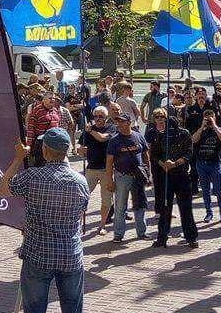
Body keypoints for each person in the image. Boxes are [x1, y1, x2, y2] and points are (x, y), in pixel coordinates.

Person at [0, 128, 93, 313]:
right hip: (70, 255)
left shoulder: (32, 177)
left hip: (38, 254)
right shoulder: (80, 181)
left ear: (46, 151)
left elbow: (2, 189)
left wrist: (18, 158)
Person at [146, 108, 198, 249]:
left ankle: (191, 237)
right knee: (165, 209)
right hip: (165, 176)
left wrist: (175, 163)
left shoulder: (185, 133)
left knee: (185, 208)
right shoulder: (161, 135)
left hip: (181, 175)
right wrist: (164, 164)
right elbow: (154, 154)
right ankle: (162, 237)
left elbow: (189, 153)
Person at [104, 113, 150, 243]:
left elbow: (146, 155)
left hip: (138, 176)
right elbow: (109, 162)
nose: (118, 124)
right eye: (117, 121)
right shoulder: (114, 140)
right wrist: (109, 180)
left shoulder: (139, 136)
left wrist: (149, 174)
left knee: (140, 205)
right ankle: (118, 235)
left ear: (129, 122)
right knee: (120, 206)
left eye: (122, 121)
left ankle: (142, 232)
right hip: (121, 176)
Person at [76, 106, 115, 235]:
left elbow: (102, 138)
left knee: (106, 199)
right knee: (82, 196)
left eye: (101, 116)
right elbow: (80, 148)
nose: (98, 119)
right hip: (91, 169)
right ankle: (78, 223)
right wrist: (80, 151)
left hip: (106, 170)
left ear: (106, 117)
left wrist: (90, 130)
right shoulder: (87, 131)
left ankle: (102, 225)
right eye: (96, 116)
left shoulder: (111, 128)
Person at [191, 107, 221, 223]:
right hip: (201, 163)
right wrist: (202, 127)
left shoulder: (220, 129)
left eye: (210, 118)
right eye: (206, 118)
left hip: (215, 163)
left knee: (219, 190)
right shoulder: (200, 129)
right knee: (205, 190)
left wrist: (214, 126)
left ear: (214, 118)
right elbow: (193, 140)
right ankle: (209, 213)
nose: (208, 120)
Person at [24, 90, 63, 166]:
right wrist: (29, 144)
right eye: (50, 98)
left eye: (53, 98)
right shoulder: (36, 110)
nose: (52, 100)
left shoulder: (55, 110)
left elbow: (59, 126)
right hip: (42, 144)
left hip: (54, 143)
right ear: (44, 100)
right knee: (41, 166)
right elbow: (30, 128)